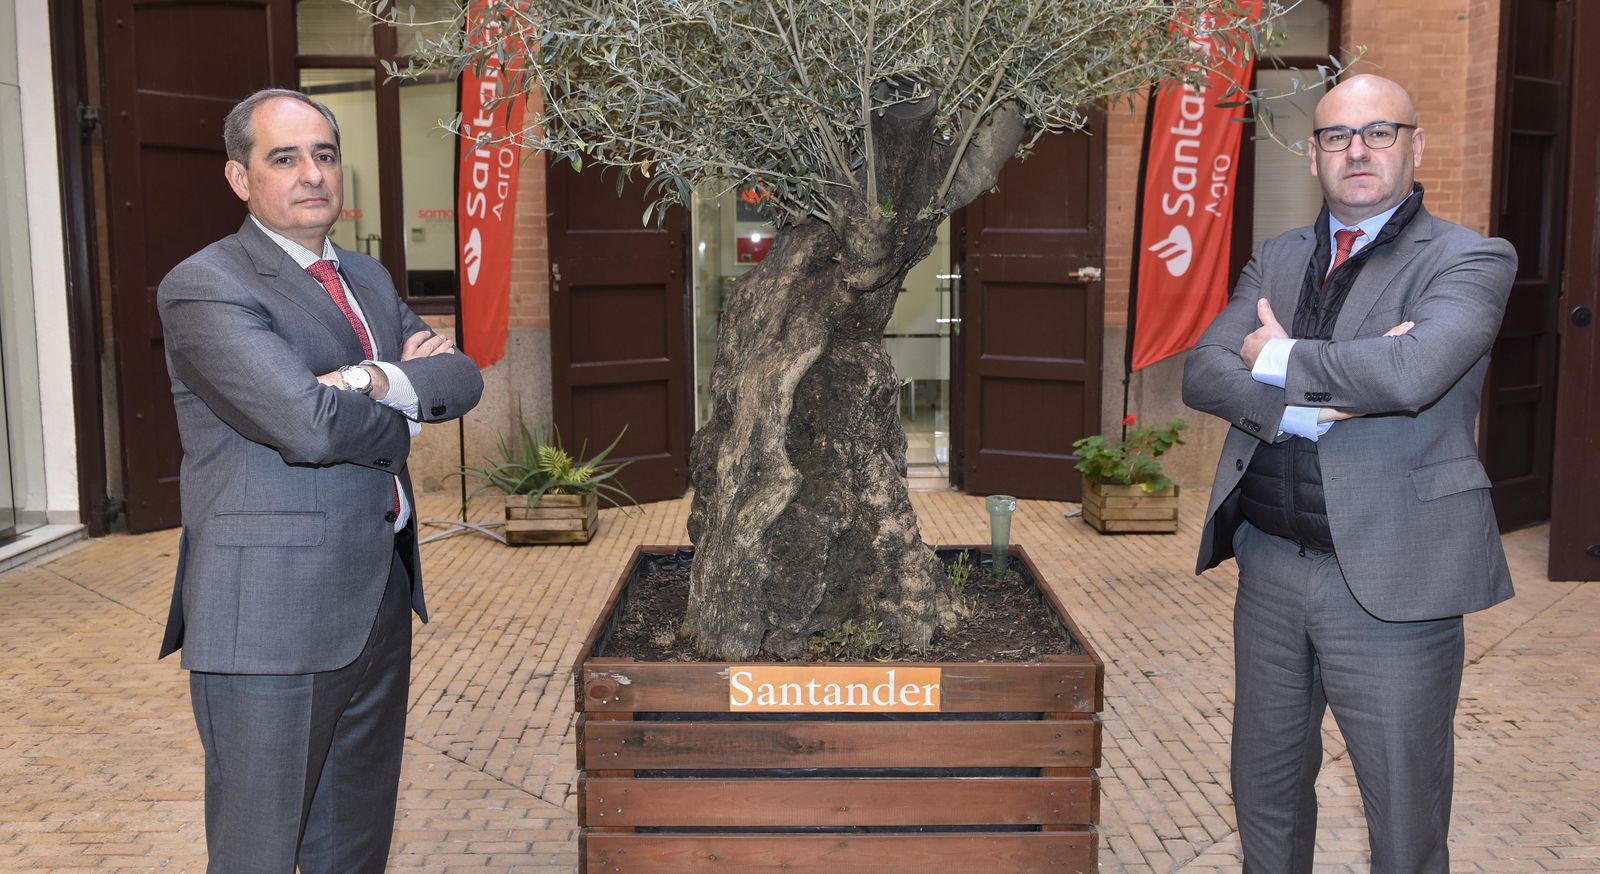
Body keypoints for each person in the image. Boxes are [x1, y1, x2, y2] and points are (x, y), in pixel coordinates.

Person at [1183, 74, 1515, 871]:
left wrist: (1278, 356)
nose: (1357, 150)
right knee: (1263, 792)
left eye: (1379, 132)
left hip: (1396, 577)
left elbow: (1410, 375)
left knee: (1403, 814)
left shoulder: (1470, 259)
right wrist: (1304, 403)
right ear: (1313, 154)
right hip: (1268, 566)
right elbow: (1203, 371)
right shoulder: (1280, 256)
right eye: (1337, 136)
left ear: (1415, 145)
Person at [156, 88, 483, 872]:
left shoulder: (365, 275)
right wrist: (407, 395)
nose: (312, 174)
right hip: (270, 621)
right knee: (259, 853)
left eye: (325, 155)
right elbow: (305, 426)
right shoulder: (207, 286)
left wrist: (367, 381)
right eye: (285, 157)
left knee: (355, 847)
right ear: (240, 178)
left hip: (377, 601)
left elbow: (464, 379)